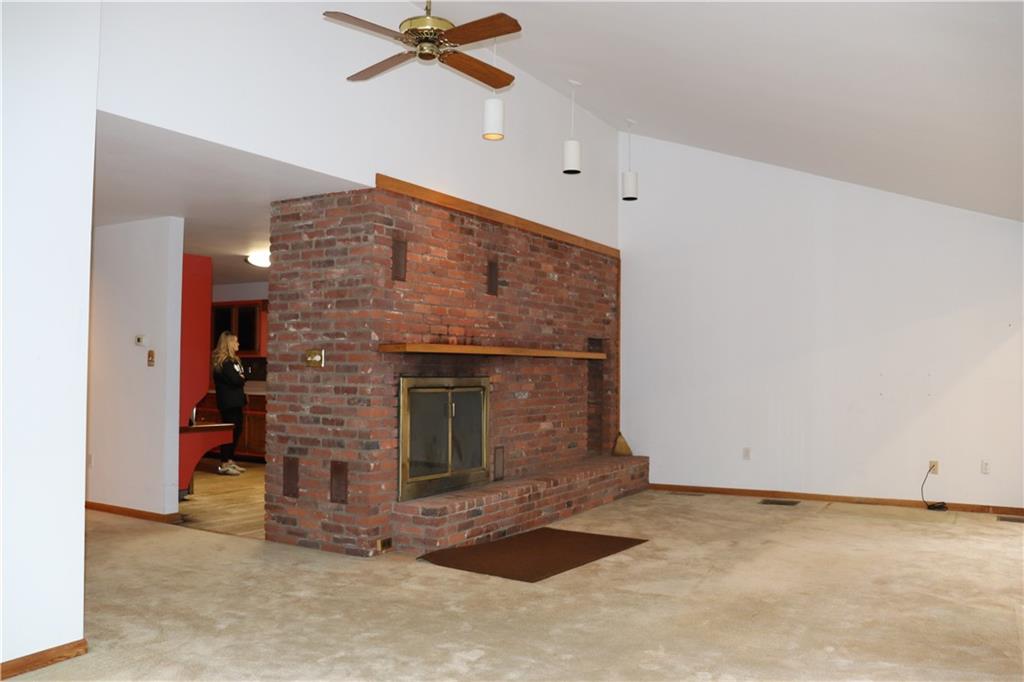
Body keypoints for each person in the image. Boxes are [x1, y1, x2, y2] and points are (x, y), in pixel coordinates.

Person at [211, 331, 248, 476]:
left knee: (237, 430)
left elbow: (242, 377)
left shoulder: (235, 361)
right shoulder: (224, 363)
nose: (238, 344)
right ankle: (224, 463)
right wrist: (241, 378)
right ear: (229, 343)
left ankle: (230, 459)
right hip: (228, 402)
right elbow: (236, 380)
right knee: (229, 432)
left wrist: (241, 378)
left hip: (237, 401)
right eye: (236, 341)